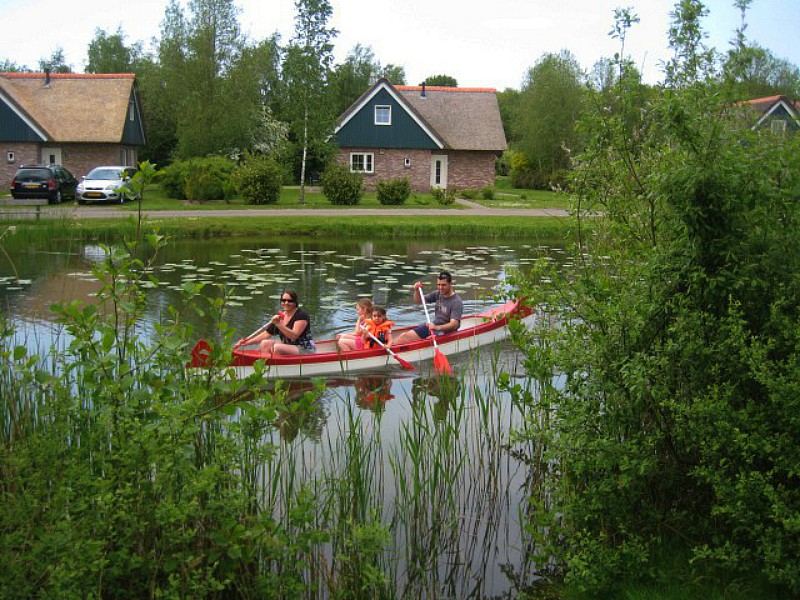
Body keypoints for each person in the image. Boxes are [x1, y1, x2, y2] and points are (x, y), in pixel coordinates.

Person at [234, 289, 315, 355]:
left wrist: (278, 324)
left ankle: (281, 367)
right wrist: (246, 343)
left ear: (295, 302)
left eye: (290, 301)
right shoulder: (280, 316)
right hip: (288, 345)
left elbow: (294, 336)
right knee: (264, 343)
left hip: (304, 348)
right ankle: (266, 367)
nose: (286, 303)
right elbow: (266, 334)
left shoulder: (302, 315)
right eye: (283, 300)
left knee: (277, 347)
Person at [393, 271, 463, 345]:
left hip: (446, 332)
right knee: (404, 336)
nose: (440, 288)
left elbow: (454, 324)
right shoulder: (438, 294)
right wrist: (416, 290)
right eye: (438, 285)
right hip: (433, 326)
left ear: (450, 283)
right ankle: (389, 351)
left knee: (425, 340)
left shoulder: (456, 302)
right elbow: (419, 300)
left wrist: (436, 327)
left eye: (443, 285)